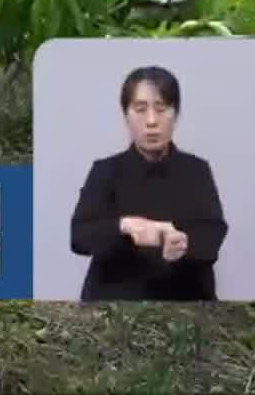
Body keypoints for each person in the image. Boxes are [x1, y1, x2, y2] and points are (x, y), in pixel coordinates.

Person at [69, 65, 228, 301]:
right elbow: (80, 236)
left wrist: (180, 244)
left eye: (162, 109)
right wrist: (126, 226)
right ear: (126, 115)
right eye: (140, 109)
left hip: (186, 301)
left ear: (175, 113)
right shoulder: (105, 171)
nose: (152, 121)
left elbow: (213, 234)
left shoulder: (196, 170)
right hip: (114, 304)